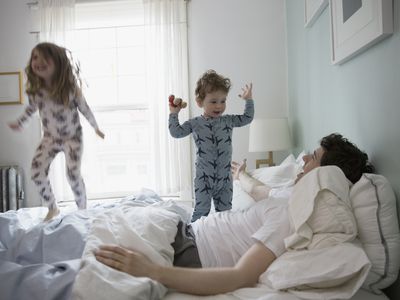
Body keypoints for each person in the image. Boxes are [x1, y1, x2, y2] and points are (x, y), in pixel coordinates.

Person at [94, 133, 374, 296]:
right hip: (184, 231)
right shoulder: (289, 195)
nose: (303, 160)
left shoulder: (293, 214)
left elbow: (241, 276)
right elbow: (261, 191)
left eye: (313, 157)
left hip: (189, 249)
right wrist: (242, 176)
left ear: (325, 174)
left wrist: (150, 270)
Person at [8, 42, 105, 221]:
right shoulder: (36, 91)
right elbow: (31, 110)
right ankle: (52, 207)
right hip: (50, 138)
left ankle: (82, 210)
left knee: (73, 174)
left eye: (44, 57)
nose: (38, 61)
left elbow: (84, 108)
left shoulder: (70, 88)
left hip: (72, 138)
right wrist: (20, 123)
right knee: (36, 172)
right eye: (35, 57)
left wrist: (95, 126)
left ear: (58, 62)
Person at [169, 69, 254, 221]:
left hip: (224, 179)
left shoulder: (228, 120)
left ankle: (220, 237)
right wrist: (174, 114)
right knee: (202, 211)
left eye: (223, 101)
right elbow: (176, 132)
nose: (219, 106)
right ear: (200, 102)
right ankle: (193, 237)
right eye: (213, 101)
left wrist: (249, 100)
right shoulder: (195, 123)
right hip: (204, 178)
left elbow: (247, 118)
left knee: (225, 214)